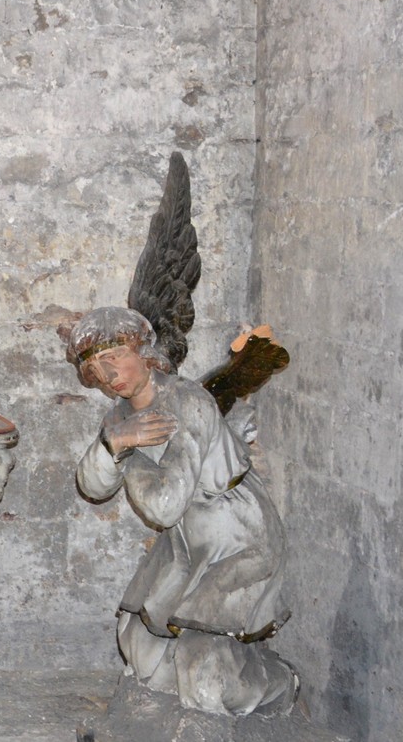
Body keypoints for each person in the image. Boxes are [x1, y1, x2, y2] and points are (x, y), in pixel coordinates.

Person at [66, 307, 297, 716]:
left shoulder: (186, 401)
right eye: (94, 369)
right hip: (188, 543)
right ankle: (171, 712)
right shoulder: (119, 415)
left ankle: (276, 685)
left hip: (239, 536)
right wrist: (113, 443)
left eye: (113, 357)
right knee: (139, 644)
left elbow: (165, 506)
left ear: (142, 350)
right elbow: (92, 486)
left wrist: (129, 453)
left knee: (203, 673)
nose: (106, 376)